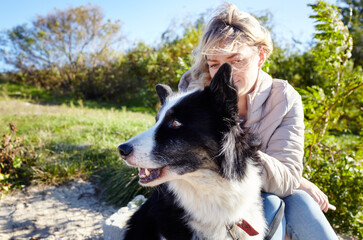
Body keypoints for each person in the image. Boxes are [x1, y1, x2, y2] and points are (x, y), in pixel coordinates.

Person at [178, 3, 338, 240]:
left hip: (260, 196)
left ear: (261, 56)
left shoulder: (284, 98)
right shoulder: (191, 95)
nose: (225, 73)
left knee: (296, 199)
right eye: (214, 64)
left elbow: (286, 181)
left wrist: (294, 181)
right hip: (207, 203)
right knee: (274, 200)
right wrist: (296, 181)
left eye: (237, 60)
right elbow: (181, 162)